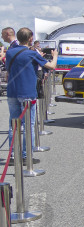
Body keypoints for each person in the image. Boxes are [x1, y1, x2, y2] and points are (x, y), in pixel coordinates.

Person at [5, 27, 57, 161]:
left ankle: (12, 154)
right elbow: (51, 66)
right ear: (30, 38)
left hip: (12, 91)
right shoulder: (31, 53)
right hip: (27, 92)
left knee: (14, 124)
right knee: (29, 124)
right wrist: (55, 55)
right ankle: (25, 155)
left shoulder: (10, 52)